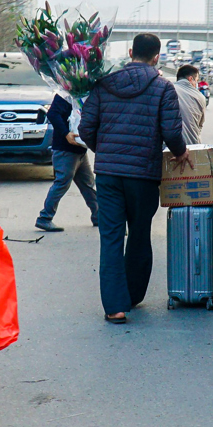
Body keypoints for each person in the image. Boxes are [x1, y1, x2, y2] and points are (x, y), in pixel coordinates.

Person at [79, 33, 190, 324]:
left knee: (112, 237)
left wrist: (103, 151)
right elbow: (172, 132)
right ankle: (133, 294)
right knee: (139, 234)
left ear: (130, 52)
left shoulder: (103, 84)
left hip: (108, 175)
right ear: (157, 56)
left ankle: (115, 306)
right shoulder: (163, 87)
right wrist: (180, 153)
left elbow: (86, 126)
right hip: (143, 175)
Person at [34, 92, 99, 232]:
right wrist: (65, 133)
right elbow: (52, 114)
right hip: (65, 149)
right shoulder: (66, 94)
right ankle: (44, 218)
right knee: (62, 183)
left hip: (79, 150)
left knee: (88, 184)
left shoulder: (84, 94)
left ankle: (98, 216)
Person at [174, 64, 206, 145]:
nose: (196, 83)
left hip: (168, 146)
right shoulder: (200, 97)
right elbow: (200, 124)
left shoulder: (167, 90)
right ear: (191, 79)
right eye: (196, 80)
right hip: (192, 146)